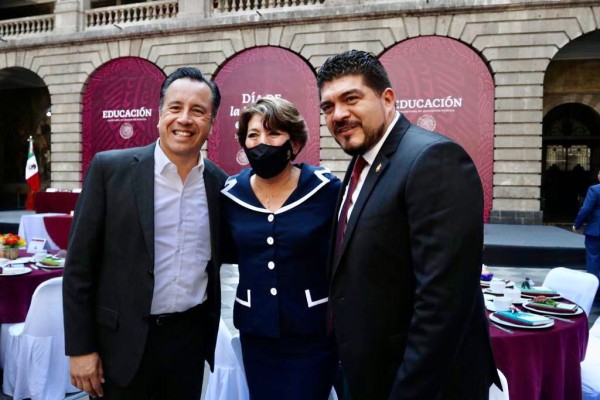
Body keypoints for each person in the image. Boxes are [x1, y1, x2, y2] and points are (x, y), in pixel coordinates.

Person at [317, 50, 499, 399]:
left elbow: (442, 305)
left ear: (387, 99)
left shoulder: (433, 159)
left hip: (417, 385)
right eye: (328, 106)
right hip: (366, 372)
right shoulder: (362, 161)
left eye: (351, 99)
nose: (338, 114)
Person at [63, 67, 228, 399]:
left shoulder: (220, 184)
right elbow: (79, 268)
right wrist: (80, 349)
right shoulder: (109, 170)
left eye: (198, 111)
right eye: (175, 107)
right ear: (159, 114)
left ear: (211, 123)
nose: (185, 119)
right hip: (120, 347)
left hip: (188, 345)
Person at [221, 97, 340, 399]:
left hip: (312, 334)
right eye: (253, 135)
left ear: (294, 144)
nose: (262, 142)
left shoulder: (325, 190)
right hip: (256, 334)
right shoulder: (231, 194)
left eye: (273, 133)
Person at [573, 170, 600, 282]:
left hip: (596, 231)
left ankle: (594, 289)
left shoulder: (595, 189)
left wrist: (577, 225)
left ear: (599, 177)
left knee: (593, 260)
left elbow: (586, 209)